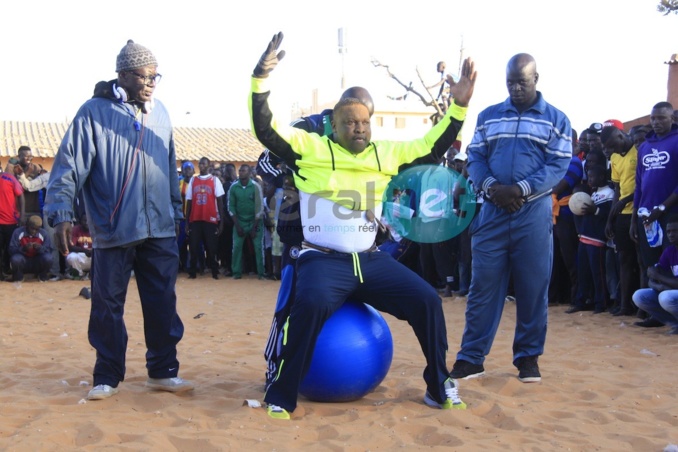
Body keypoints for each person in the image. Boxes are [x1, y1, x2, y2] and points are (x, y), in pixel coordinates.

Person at [249, 32, 477, 419]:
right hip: (323, 261)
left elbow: (433, 146)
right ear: (332, 126)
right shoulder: (310, 150)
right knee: (308, 305)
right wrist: (260, 82)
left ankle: (439, 386)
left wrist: (458, 108)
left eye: (365, 122)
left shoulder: (387, 154)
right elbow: (266, 129)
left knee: (427, 301)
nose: (359, 128)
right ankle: (282, 395)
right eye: (349, 122)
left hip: (370, 262)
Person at [44, 39, 193, 400]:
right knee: (108, 306)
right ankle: (107, 375)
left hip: (158, 228)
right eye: (145, 75)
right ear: (123, 75)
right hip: (114, 228)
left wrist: (174, 212)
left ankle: (162, 371)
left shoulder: (161, 113)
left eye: (157, 75)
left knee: (162, 303)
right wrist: (61, 213)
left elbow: (170, 167)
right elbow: (67, 168)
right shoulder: (92, 112)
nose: (152, 82)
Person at [451, 53, 571, 383]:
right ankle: (471, 357)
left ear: (536, 79)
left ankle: (528, 358)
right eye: (510, 82)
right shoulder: (489, 116)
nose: (516, 88)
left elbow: (558, 165)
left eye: (523, 82)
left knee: (533, 288)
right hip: (491, 213)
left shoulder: (557, 120)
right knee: (482, 287)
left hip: (532, 214)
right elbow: (475, 155)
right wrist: (491, 188)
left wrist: (519, 189)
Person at [630, 102, 678, 328]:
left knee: (670, 261)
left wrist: (663, 207)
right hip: (645, 215)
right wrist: (633, 219)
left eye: (661, 118)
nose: (657, 122)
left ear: (671, 119)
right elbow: (639, 185)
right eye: (653, 118)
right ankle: (657, 315)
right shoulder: (644, 147)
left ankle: (673, 313)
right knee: (651, 264)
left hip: (670, 213)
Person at [566, 165, 614, 314]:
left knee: (597, 274)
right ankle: (581, 301)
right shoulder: (593, 193)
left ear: (601, 177)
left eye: (592, 177)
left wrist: (596, 210)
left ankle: (601, 303)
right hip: (584, 239)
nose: (589, 180)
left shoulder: (609, 193)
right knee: (583, 273)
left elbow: (608, 215)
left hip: (597, 240)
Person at [602, 125, 640, 316]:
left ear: (620, 134)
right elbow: (617, 189)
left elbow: (644, 184)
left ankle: (643, 309)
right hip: (622, 215)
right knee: (624, 260)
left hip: (640, 211)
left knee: (641, 262)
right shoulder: (615, 158)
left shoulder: (639, 149)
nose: (612, 150)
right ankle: (625, 305)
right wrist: (610, 219)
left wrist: (627, 200)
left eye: (612, 145)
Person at [631, 215, 678, 335]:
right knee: (639, 296)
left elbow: (656, 276)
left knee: (665, 297)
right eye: (668, 231)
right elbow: (651, 275)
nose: (671, 234)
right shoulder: (670, 251)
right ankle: (674, 323)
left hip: (671, 292)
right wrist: (660, 287)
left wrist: (659, 280)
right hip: (671, 290)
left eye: (674, 231)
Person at [185, 157, 226, 280]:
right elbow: (189, 201)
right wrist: (187, 222)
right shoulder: (193, 180)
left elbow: (219, 202)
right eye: (200, 163)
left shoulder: (214, 180)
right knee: (193, 246)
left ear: (208, 166)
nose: (201, 165)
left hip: (210, 219)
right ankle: (192, 272)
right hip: (196, 219)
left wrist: (221, 222)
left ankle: (214, 272)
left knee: (211, 247)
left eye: (203, 163)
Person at [227, 164, 265, 279]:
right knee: (237, 247)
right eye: (240, 170)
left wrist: (254, 227)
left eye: (243, 170)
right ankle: (236, 273)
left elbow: (259, 207)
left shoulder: (255, 187)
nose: (241, 172)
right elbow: (231, 207)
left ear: (249, 173)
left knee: (258, 247)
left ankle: (261, 273)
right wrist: (237, 225)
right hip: (239, 222)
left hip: (255, 222)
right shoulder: (233, 187)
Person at [7, 215, 53, 282]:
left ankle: (42, 276)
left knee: (49, 258)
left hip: (37, 261)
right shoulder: (18, 232)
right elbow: (11, 250)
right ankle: (19, 277)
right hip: (23, 261)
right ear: (27, 225)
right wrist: (23, 249)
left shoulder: (44, 233)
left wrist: (40, 248)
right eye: (32, 228)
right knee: (15, 259)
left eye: (37, 229)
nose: (34, 231)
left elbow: (49, 250)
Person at [0, 162, 25, 277]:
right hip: (5, 221)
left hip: (10, 220)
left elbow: (20, 196)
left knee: (8, 248)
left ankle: (6, 270)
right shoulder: (10, 178)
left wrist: (22, 215)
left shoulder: (10, 179)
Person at [65, 212, 93, 279]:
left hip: (93, 255)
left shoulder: (96, 229)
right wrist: (84, 251)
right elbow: (71, 246)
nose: (86, 222)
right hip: (81, 255)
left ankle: (92, 274)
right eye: (84, 220)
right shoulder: (75, 229)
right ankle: (80, 274)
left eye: (88, 220)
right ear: (80, 221)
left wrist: (93, 251)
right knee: (71, 257)